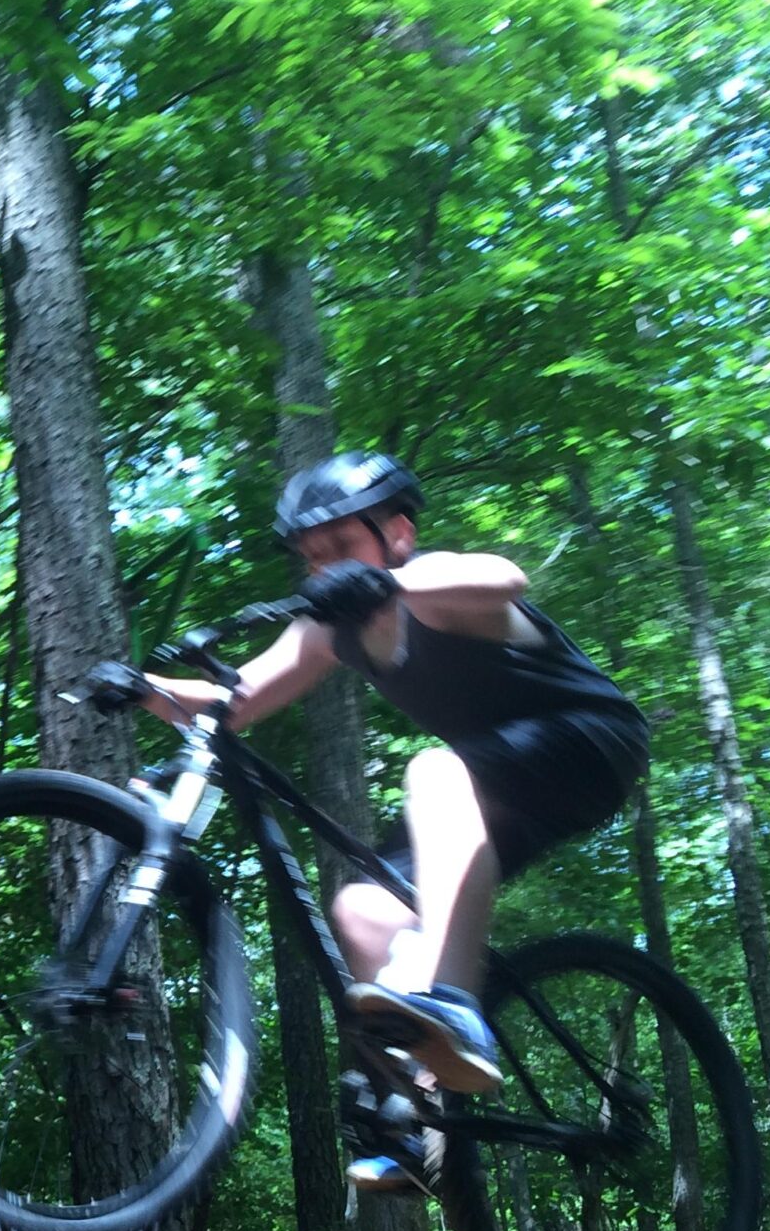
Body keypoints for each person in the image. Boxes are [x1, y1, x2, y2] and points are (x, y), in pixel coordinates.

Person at [141, 452, 651, 1189]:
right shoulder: (329, 631)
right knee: (365, 909)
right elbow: (236, 701)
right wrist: (140, 686)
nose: (323, 572)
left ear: (400, 534)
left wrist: (388, 582)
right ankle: (412, 1121)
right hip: (503, 785)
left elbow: (505, 578)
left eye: (342, 548)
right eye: (311, 559)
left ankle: (453, 1007)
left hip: (590, 741)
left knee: (435, 769)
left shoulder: (435, 588)